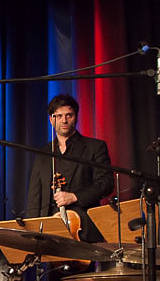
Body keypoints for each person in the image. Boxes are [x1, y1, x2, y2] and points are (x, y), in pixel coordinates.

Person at [26, 94, 113, 242]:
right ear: (51, 119)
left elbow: (106, 183)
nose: (64, 121)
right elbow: (35, 196)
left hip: (83, 227)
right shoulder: (43, 153)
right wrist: (32, 232)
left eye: (69, 115)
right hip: (50, 230)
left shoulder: (94, 147)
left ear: (76, 116)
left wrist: (74, 197)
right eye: (58, 116)